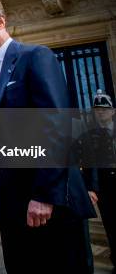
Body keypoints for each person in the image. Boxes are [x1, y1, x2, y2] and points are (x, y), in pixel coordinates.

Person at [0, 0, 95, 272]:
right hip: (16, 207)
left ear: (1, 21)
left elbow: (57, 127)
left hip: (51, 204)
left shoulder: (35, 57)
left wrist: (45, 195)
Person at [77, 90, 115, 270]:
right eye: (97, 109)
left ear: (112, 111)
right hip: (104, 185)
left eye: (104, 109)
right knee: (110, 222)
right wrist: (91, 187)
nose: (100, 112)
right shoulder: (89, 132)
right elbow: (89, 161)